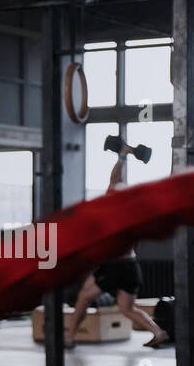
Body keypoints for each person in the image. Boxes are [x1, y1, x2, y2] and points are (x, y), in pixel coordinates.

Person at [67, 145, 169, 349]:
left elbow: (114, 181)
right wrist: (125, 155)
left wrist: (122, 155)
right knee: (126, 308)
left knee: (84, 297)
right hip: (131, 266)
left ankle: (69, 337)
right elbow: (116, 182)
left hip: (115, 266)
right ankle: (158, 332)